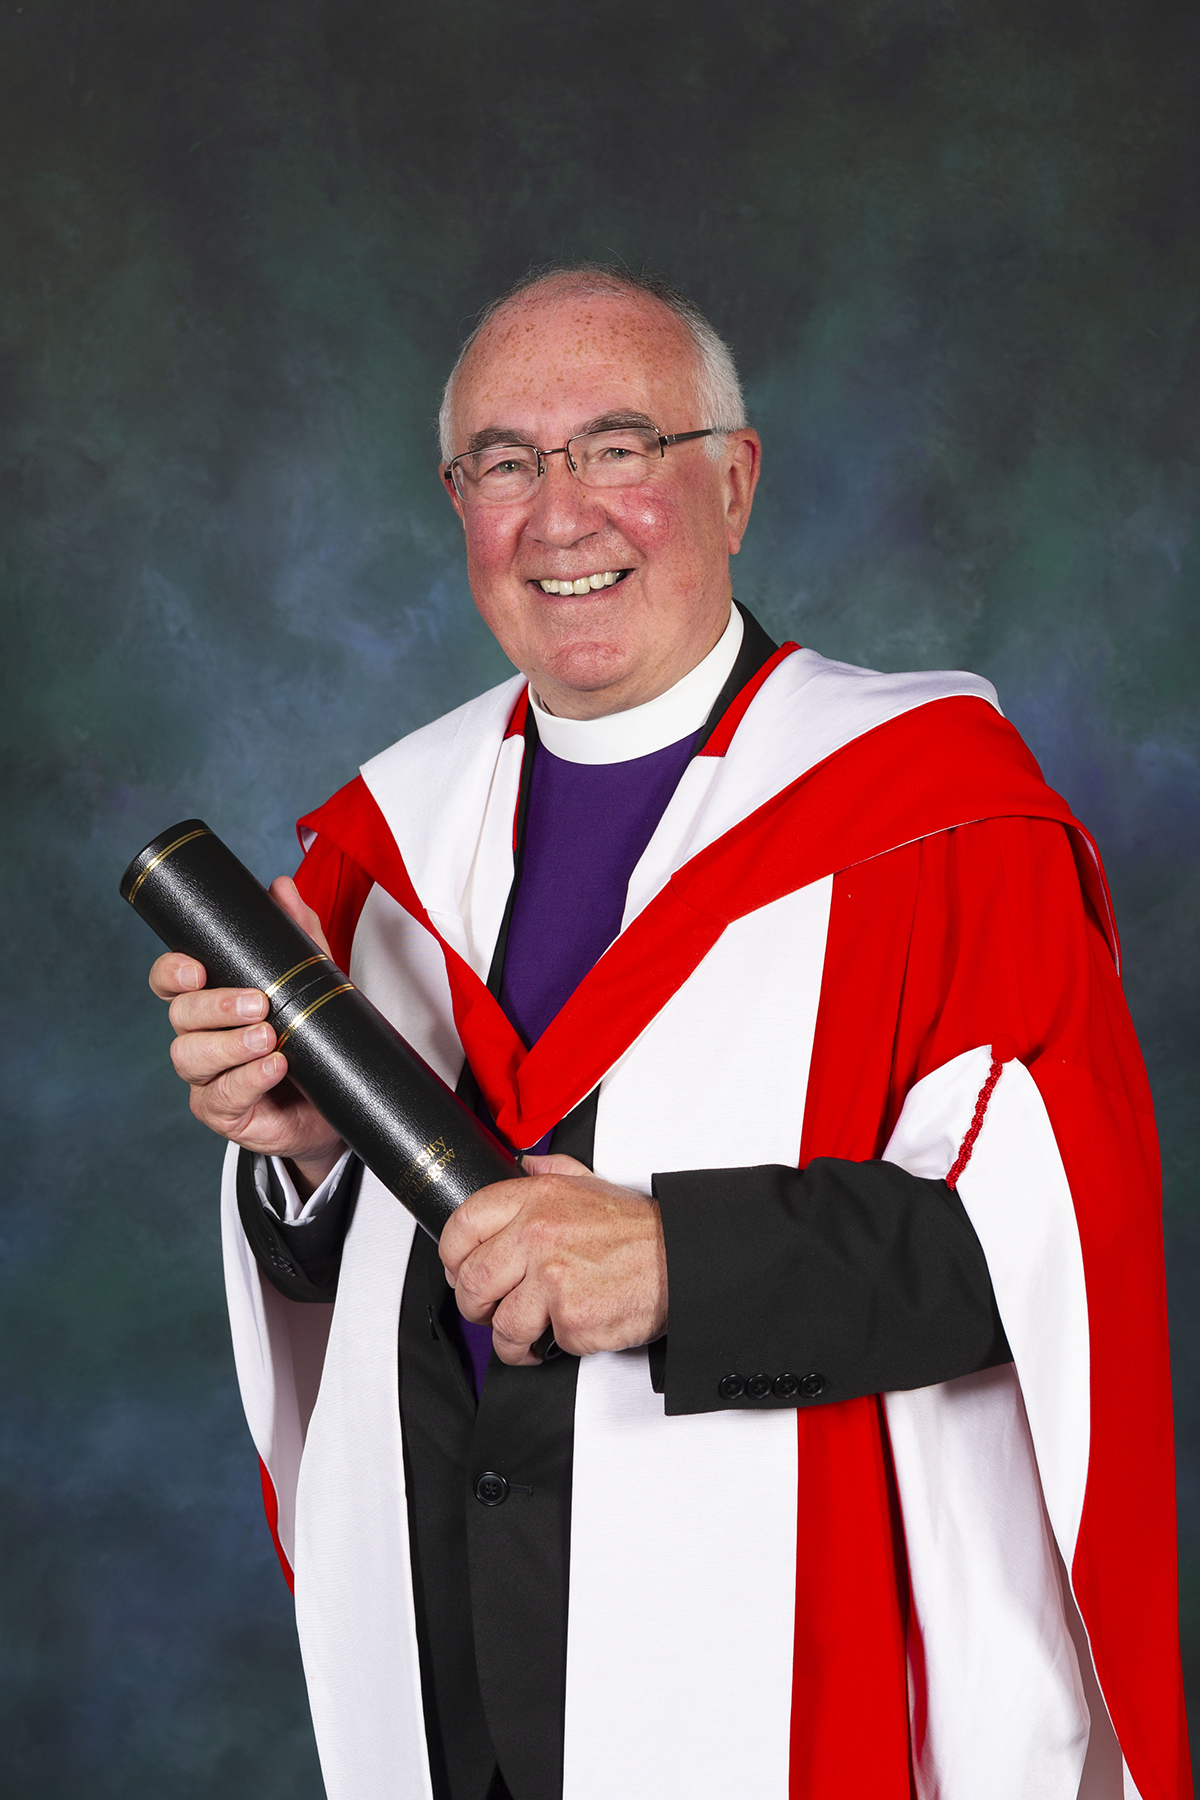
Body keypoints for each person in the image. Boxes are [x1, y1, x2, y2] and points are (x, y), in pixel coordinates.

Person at [149, 265, 1190, 1800]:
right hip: (452, 1673)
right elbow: (342, 1278)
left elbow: (1037, 1262)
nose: (560, 513)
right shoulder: (381, 846)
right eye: (505, 462)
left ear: (734, 483)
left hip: (785, 1667)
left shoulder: (944, 822)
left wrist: (679, 1264)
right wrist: (295, 1158)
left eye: (621, 446)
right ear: (461, 510)